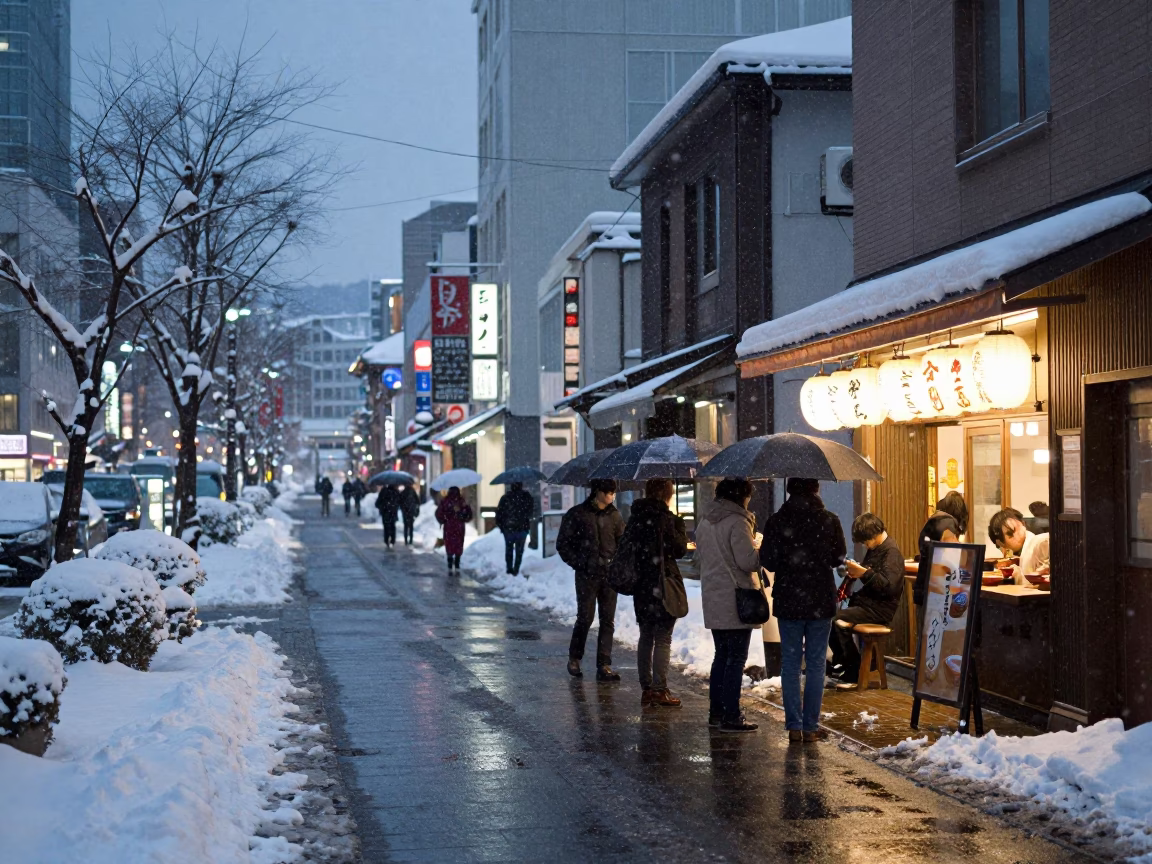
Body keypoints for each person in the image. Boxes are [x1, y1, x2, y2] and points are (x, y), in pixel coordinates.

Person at [761, 477, 845, 743]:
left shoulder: (776, 521)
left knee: (790, 664)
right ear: (815, 489)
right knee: (817, 664)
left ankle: (794, 726)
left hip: (788, 600)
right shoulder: (829, 520)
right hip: (820, 599)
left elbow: (769, 562)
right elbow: (837, 558)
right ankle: (810, 727)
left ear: (789, 489)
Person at [695, 477, 763, 732]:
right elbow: (747, 562)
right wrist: (758, 549)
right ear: (740, 497)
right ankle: (731, 715)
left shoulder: (704, 522)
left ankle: (716, 712)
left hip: (714, 596)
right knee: (736, 658)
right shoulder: (737, 522)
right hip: (736, 598)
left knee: (721, 656)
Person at [626, 477, 689, 708]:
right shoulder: (668, 520)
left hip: (642, 584)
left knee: (646, 636)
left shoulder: (636, 519)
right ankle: (660, 689)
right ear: (668, 495)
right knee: (663, 637)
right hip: (664, 584)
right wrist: (678, 527)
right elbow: (680, 549)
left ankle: (646, 689)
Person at [555, 478, 625, 681]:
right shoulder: (578, 514)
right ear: (598, 492)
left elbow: (622, 543)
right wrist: (581, 563)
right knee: (585, 617)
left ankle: (604, 664)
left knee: (607, 620)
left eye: (613, 492)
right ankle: (574, 658)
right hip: (587, 575)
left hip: (609, 576)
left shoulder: (614, 515)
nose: (612, 495)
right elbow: (563, 544)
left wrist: (617, 564)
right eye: (608, 492)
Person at [828, 513, 905, 686]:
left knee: (836, 620)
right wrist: (856, 573)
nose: (864, 545)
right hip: (868, 604)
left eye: (865, 540)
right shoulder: (876, 549)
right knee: (832, 617)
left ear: (874, 533)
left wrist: (864, 573)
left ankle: (853, 667)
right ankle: (847, 664)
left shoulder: (891, 552)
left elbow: (889, 587)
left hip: (879, 610)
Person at [912, 491, 969, 607]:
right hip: (938, 593)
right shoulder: (948, 526)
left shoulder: (932, 523)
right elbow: (955, 561)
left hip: (924, 590)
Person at [988, 507, 1050, 583]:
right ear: (1001, 543)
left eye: (1014, 530)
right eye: (1009, 534)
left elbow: (1043, 580)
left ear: (1023, 523)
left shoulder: (1041, 542)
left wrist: (1017, 574)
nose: (1016, 535)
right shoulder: (1021, 553)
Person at [494, 481, 534, 576]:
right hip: (522, 528)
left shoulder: (505, 498)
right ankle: (516, 568)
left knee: (509, 549)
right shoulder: (526, 497)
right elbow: (530, 512)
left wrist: (502, 526)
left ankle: (509, 568)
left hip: (509, 529)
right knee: (519, 550)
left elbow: (499, 513)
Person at [435, 486, 472, 571]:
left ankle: (450, 559)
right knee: (459, 543)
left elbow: (439, 513)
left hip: (449, 527)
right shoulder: (462, 501)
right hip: (459, 527)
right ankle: (457, 561)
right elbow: (468, 514)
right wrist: (461, 513)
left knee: (449, 543)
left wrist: (445, 519)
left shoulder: (445, 501)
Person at [376, 484, 401, 548]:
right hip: (393, 512)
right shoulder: (396, 492)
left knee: (386, 527)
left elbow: (377, 503)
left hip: (385, 513)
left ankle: (386, 540)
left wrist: (382, 507)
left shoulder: (384, 491)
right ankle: (392, 540)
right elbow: (399, 501)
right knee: (393, 526)